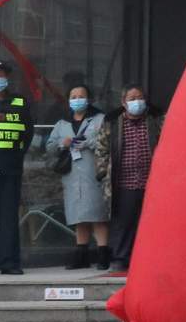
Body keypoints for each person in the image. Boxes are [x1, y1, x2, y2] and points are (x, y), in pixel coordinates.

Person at [49, 85, 111, 270]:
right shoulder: (62, 123)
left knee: (97, 215)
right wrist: (62, 143)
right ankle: (81, 255)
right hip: (72, 176)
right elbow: (49, 147)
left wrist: (89, 142)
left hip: (94, 173)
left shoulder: (100, 119)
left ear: (89, 99)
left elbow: (109, 141)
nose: (77, 99)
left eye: (81, 96)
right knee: (78, 216)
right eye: (73, 96)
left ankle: (103, 254)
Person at [0, 58, 32, 275]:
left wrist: (17, 156)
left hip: (10, 170)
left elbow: (27, 133)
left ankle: (9, 262)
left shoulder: (19, 102)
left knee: (9, 219)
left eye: (2, 74)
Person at [106, 86, 159, 272]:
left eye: (140, 97)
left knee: (151, 222)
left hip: (151, 182)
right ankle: (121, 258)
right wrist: (102, 172)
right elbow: (101, 149)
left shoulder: (155, 121)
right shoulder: (113, 123)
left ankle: (150, 258)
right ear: (123, 102)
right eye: (132, 98)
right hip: (124, 182)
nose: (137, 102)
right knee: (125, 222)